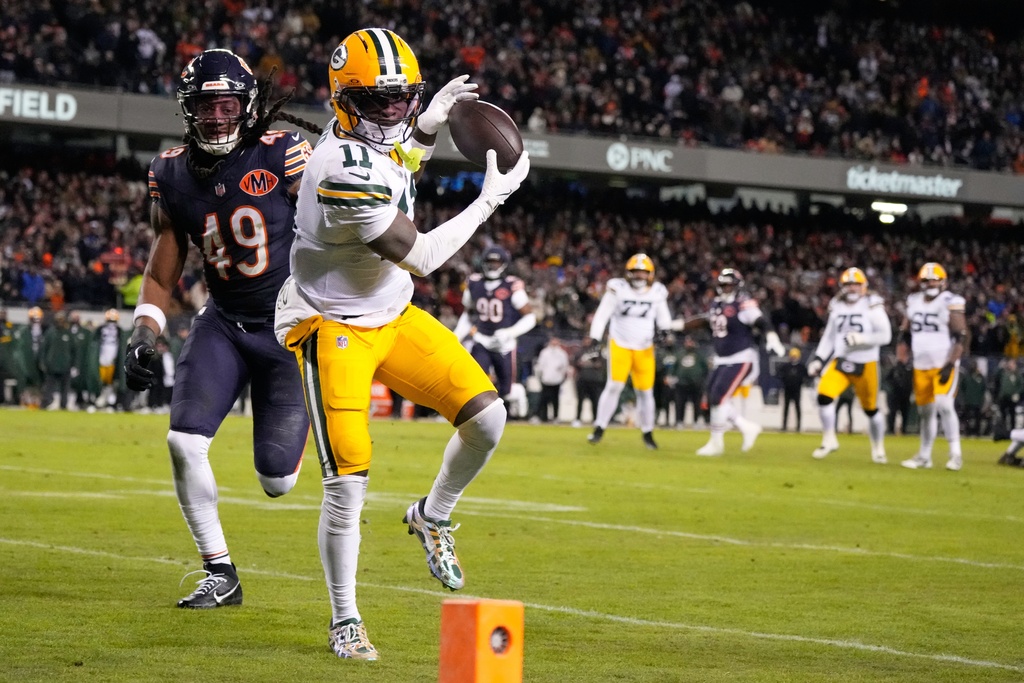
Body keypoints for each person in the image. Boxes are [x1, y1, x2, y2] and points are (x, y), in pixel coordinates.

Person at [272, 28, 530, 660]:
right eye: (378, 100)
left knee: (489, 419)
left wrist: (428, 128)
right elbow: (421, 255)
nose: (394, 111)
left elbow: (402, 165)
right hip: (331, 323)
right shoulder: (338, 170)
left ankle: (432, 514)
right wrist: (489, 201)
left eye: (402, 97)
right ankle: (345, 619)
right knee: (347, 482)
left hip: (390, 312)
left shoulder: (372, 144)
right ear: (344, 101)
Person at [122, 49, 316, 610]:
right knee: (183, 441)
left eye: (228, 105)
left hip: (289, 328)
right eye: (205, 107)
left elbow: (332, 225)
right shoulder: (169, 171)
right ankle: (219, 571)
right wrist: (144, 330)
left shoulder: (283, 153)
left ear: (247, 105)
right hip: (225, 322)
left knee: (277, 481)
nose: (216, 117)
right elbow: (163, 268)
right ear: (188, 110)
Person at [680, 269, 786, 456]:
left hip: (741, 357)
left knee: (719, 398)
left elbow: (761, 321)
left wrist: (771, 337)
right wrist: (676, 325)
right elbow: (705, 321)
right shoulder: (717, 304)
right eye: (723, 285)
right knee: (712, 398)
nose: (725, 288)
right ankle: (747, 427)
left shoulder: (743, 304)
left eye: (729, 285)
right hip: (722, 359)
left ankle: (716, 443)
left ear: (737, 286)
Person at [585, 253, 673, 450]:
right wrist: (595, 338)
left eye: (643, 272)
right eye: (635, 271)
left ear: (650, 274)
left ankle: (648, 432)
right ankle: (599, 428)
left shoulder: (657, 292)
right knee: (614, 386)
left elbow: (664, 317)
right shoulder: (618, 289)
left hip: (645, 347)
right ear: (628, 273)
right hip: (620, 344)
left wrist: (665, 331)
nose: (639, 276)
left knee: (645, 391)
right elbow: (601, 316)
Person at [806, 267, 892, 463]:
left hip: (866, 362)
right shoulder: (837, 305)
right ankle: (829, 440)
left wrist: (862, 339)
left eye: (855, 284)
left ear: (864, 286)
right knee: (824, 395)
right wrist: (819, 358)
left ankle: (878, 448)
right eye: (848, 284)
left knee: (870, 409)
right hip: (841, 360)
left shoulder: (872, 304)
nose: (852, 288)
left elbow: (886, 336)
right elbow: (829, 336)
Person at [900, 263, 967, 471]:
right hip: (921, 365)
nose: (931, 283)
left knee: (945, 405)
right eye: (927, 280)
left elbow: (961, 336)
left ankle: (955, 454)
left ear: (943, 282)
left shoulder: (950, 301)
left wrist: (951, 363)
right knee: (925, 412)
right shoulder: (913, 301)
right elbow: (904, 334)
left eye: (935, 280)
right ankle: (924, 456)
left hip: (943, 363)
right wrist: (902, 359)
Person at [453, 246, 537, 403]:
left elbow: (530, 318)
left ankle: (519, 395)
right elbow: (468, 314)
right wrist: (457, 335)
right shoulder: (474, 283)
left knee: (507, 393)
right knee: (475, 385)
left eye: (496, 262)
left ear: (504, 264)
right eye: (490, 261)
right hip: (481, 339)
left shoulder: (511, 285)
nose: (493, 265)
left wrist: (510, 332)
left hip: (504, 345)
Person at [532, 335, 570, 422]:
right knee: (543, 399)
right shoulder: (545, 352)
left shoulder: (562, 353)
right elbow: (540, 365)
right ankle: (541, 416)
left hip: (557, 379)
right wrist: (541, 376)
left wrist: (561, 375)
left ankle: (555, 416)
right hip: (546, 379)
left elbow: (565, 366)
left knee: (555, 399)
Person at [572, 340, 606, 427]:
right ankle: (578, 419)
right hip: (582, 379)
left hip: (594, 380)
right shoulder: (580, 352)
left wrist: (595, 364)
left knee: (595, 401)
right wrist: (580, 364)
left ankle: (596, 419)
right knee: (580, 400)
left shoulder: (598, 353)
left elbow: (602, 364)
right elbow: (575, 363)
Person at [883, 342, 914, 435]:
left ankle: (904, 430)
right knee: (892, 412)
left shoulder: (910, 367)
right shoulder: (894, 367)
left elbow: (912, 380)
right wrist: (891, 388)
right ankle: (890, 430)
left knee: (905, 413)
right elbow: (886, 380)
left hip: (905, 394)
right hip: (894, 395)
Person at [777, 347, 806, 432]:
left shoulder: (801, 367)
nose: (794, 358)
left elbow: (806, 376)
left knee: (798, 407)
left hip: (797, 390)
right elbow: (780, 375)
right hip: (787, 390)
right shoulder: (786, 366)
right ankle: (784, 426)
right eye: (792, 356)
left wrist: (801, 382)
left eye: (795, 356)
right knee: (786, 408)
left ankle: (798, 426)